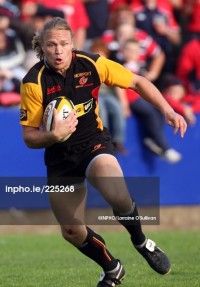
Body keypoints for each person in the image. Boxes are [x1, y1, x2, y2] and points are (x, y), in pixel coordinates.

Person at [20, 17, 187, 287]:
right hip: (60, 158)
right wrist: (53, 135)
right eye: (51, 45)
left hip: (93, 143)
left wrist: (167, 109)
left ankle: (142, 241)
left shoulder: (91, 63)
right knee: (72, 231)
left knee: (115, 191)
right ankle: (112, 268)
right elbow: (29, 137)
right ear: (42, 47)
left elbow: (137, 82)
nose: (59, 50)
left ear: (73, 44)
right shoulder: (34, 82)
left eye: (64, 44)